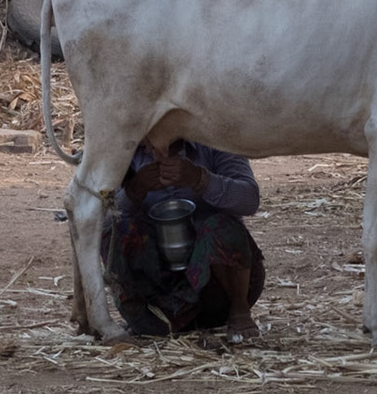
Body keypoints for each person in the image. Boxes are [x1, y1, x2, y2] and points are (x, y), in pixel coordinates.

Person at [107, 136, 265, 343]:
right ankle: (144, 321)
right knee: (121, 231)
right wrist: (134, 190)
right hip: (160, 295)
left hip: (217, 290)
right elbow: (101, 219)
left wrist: (201, 179)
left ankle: (239, 311)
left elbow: (249, 200)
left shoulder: (216, 141)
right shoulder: (127, 153)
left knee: (218, 225)